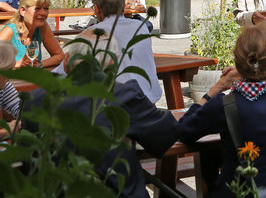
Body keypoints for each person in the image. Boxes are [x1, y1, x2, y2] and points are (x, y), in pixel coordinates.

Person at [20, 32, 178, 197]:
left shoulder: (36, 100)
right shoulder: (124, 95)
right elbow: (166, 135)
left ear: (66, 61)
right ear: (113, 63)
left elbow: (29, 159)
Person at [178, 25, 266, 198]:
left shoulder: (224, 104)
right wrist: (248, 73)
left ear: (237, 62)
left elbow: (183, 130)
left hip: (239, 192)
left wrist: (217, 87)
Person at [89, 0, 162, 103]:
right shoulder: (141, 27)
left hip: (116, 103)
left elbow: (65, 70)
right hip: (149, 98)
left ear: (97, 9)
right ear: (123, 6)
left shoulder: (92, 33)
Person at [0, 0, 64, 69]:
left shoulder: (42, 27)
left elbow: (59, 56)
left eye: (46, 8)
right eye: (37, 8)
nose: (43, 13)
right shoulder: (9, 31)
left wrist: (39, 65)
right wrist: (16, 65)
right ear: (23, 11)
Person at [0, 41, 20, 139]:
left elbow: (21, 108)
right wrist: (7, 131)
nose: (10, 76)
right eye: (9, 70)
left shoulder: (4, 86)